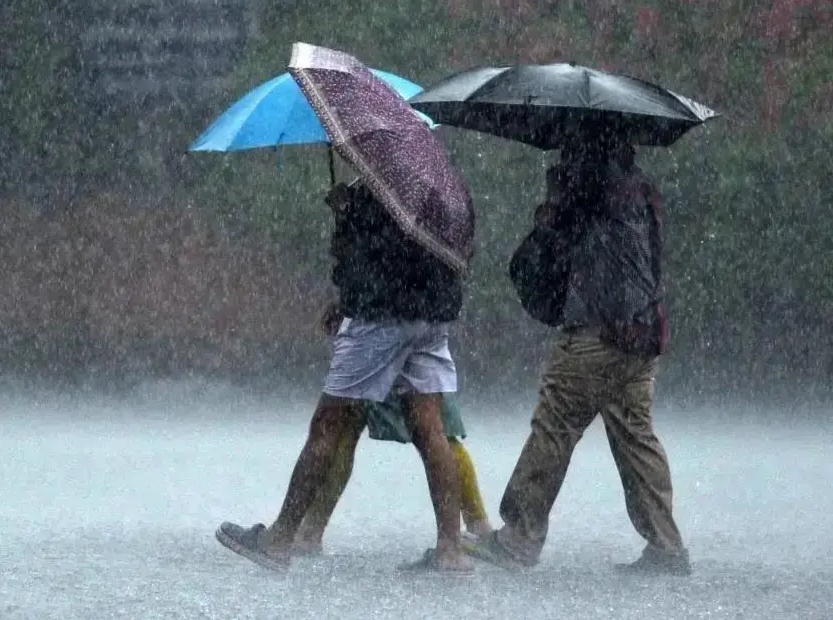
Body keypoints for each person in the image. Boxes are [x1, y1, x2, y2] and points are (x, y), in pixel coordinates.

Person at [215, 179, 473, 574]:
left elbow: (363, 260)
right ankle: (450, 550)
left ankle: (281, 537)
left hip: (380, 317)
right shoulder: (444, 187)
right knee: (431, 428)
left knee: (329, 424)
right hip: (433, 316)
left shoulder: (377, 188)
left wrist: (347, 215)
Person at [465, 137, 691, 575]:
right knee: (636, 436)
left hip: (597, 332)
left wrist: (555, 199)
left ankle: (518, 538)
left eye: (569, 150)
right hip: (643, 332)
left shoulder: (586, 188)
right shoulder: (641, 189)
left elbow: (549, 248)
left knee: (554, 425)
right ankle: (666, 544)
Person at [292, 389, 494, 557]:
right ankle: (478, 528)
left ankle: (310, 532)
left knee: (345, 424)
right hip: (415, 347)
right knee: (437, 429)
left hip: (373, 350)